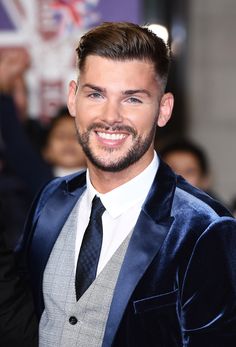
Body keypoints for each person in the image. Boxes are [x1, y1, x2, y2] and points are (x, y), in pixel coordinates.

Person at [20, 22, 236, 346]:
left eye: (132, 99)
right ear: (72, 98)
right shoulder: (50, 201)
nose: (110, 116)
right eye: (95, 94)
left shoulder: (204, 229)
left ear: (163, 110)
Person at [42, 106, 86, 177]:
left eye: (77, 136)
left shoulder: (103, 185)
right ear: (47, 150)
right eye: (61, 136)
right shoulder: (36, 184)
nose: (68, 140)